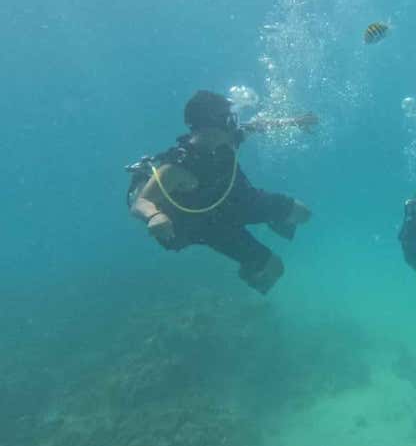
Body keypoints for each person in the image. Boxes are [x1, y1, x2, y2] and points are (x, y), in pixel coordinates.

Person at [127, 90, 316, 294]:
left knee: (302, 213)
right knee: (275, 268)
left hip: (239, 199)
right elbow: (141, 201)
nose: (235, 124)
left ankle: (270, 222)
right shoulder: (178, 166)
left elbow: (256, 125)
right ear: (213, 124)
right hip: (210, 224)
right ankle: (249, 277)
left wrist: (294, 121)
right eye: (230, 119)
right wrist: (154, 216)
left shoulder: (227, 139)